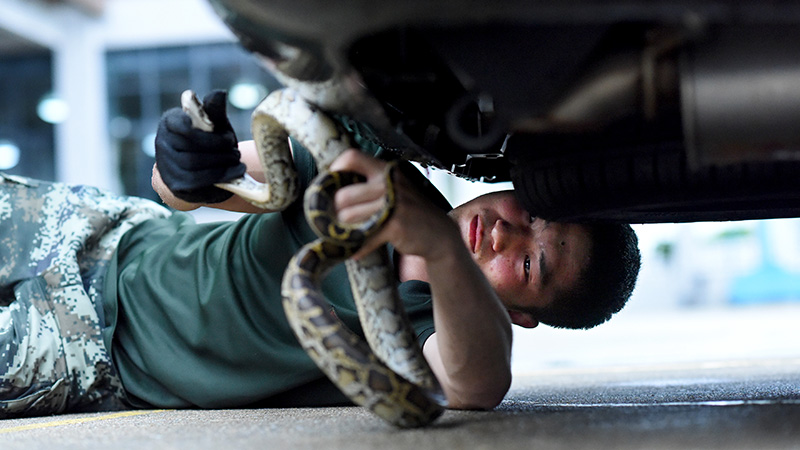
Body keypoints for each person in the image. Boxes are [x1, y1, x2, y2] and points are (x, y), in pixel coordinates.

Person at [0, 91, 640, 418]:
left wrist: (442, 249)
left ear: (522, 316)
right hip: (109, 233)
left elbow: (475, 387)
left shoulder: (430, 334)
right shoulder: (374, 167)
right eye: (529, 215)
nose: (504, 234)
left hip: (88, 349)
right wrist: (187, 164)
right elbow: (196, 188)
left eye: (528, 265)